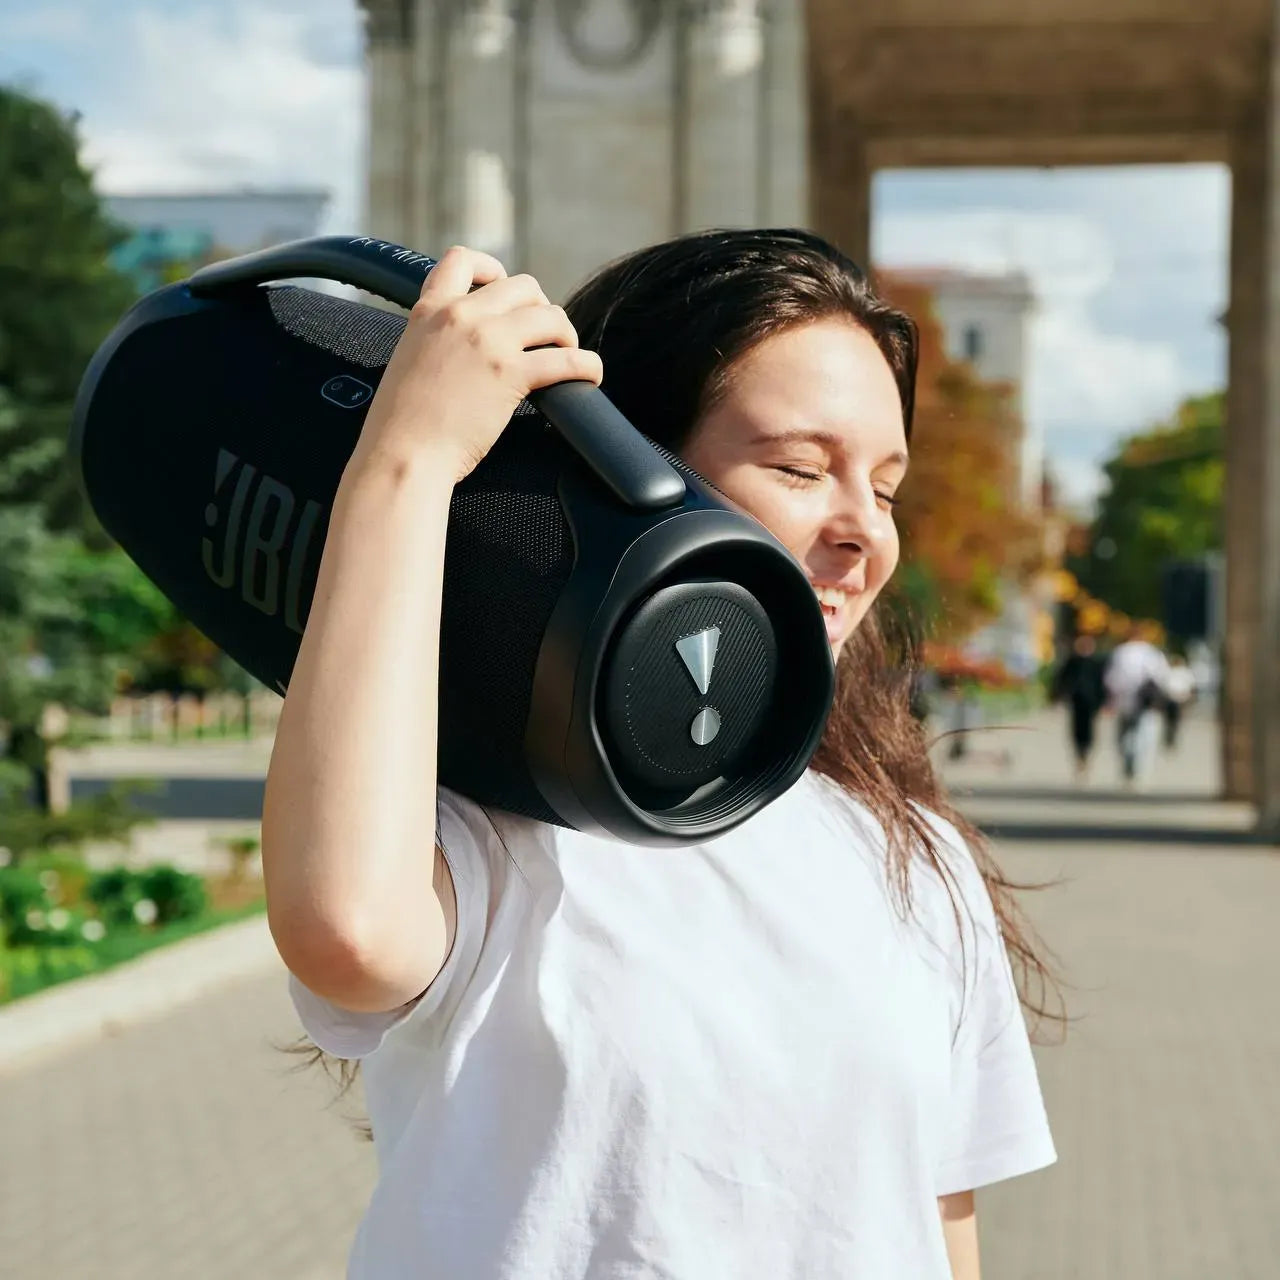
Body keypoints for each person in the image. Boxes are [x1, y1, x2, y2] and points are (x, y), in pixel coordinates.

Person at [263, 230, 1058, 1280]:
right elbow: (349, 931)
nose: (862, 528)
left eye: (887, 485)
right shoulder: (486, 824)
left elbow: (939, 1225)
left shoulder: (913, 857)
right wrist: (408, 463)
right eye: (799, 467)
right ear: (616, 470)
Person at [1103, 622, 1171, 786]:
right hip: (1145, 702)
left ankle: (1128, 764)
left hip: (1124, 701)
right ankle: (1138, 768)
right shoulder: (1151, 653)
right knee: (1144, 735)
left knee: (1124, 735)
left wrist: (1111, 701)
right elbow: (1162, 676)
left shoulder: (1120, 652)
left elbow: (1111, 679)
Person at [1051, 633, 1107, 780]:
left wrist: (1103, 702)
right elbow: (1061, 680)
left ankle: (1085, 755)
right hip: (1076, 702)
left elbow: (1102, 684)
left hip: (1091, 702)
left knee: (1089, 731)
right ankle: (1079, 757)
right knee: (1076, 730)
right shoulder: (1072, 661)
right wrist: (1057, 697)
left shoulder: (1096, 663)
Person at [1162, 653, 1197, 750]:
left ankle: (1172, 738)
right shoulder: (1171, 671)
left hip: (1180, 699)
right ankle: (1170, 738)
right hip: (1173, 698)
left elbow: (1191, 686)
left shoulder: (1183, 672)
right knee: (1172, 720)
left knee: (1175, 720)